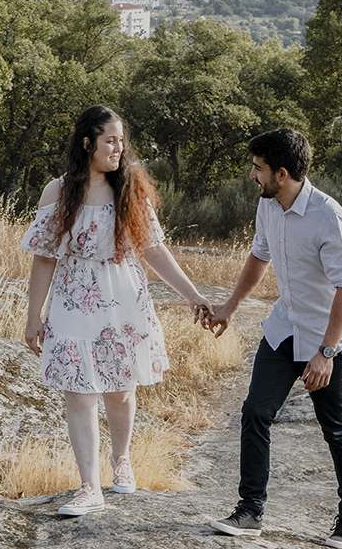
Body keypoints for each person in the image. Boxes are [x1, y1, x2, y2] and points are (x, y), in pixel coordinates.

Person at [21, 105, 212, 517]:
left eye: (122, 141)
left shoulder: (129, 189)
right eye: (111, 140)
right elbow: (43, 257)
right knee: (79, 393)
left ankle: (121, 459)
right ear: (87, 142)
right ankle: (89, 486)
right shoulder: (57, 192)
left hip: (124, 299)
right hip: (73, 299)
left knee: (121, 391)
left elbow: (154, 250)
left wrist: (192, 294)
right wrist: (33, 315)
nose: (118, 148)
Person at [203, 128, 342, 549]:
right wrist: (229, 308)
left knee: (336, 429)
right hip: (283, 331)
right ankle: (250, 510)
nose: (252, 176)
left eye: (258, 169)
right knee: (255, 412)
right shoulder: (269, 206)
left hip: (326, 341)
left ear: (282, 172)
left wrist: (326, 352)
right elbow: (259, 255)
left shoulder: (329, 216)